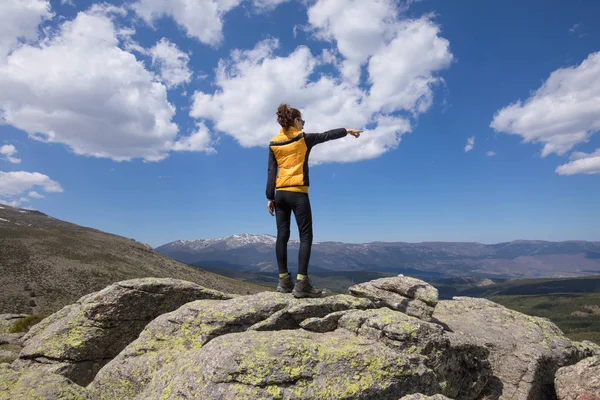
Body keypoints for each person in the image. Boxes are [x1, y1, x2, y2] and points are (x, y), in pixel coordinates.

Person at [266, 104, 362, 298]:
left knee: (282, 236)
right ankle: (302, 283)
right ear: (294, 121)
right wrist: (347, 130)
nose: (303, 124)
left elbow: (271, 171)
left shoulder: (274, 143)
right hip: (298, 192)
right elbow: (326, 135)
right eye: (302, 121)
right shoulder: (303, 138)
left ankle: (284, 281)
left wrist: (270, 197)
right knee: (305, 236)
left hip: (280, 194)